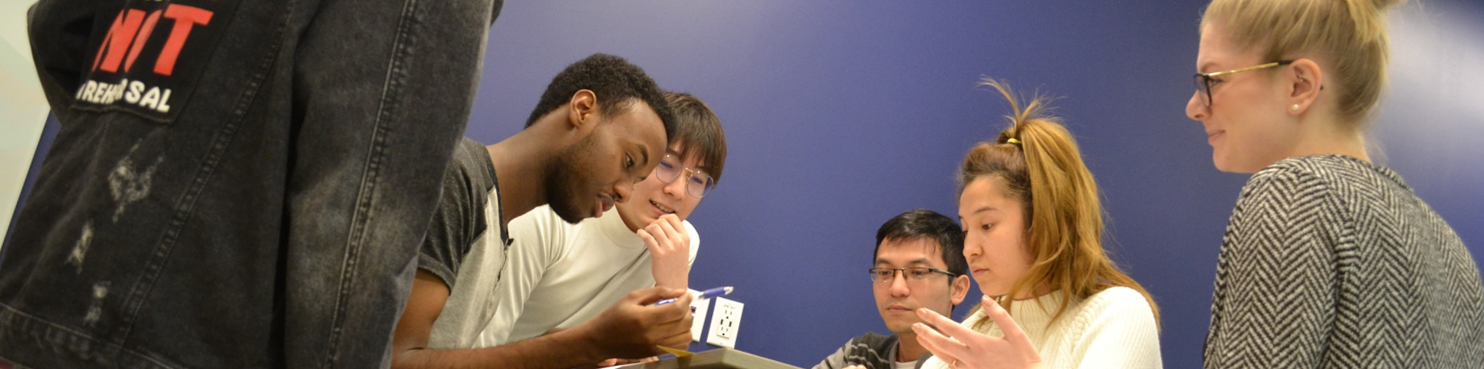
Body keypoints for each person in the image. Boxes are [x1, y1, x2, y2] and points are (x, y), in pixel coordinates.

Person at [0, 0, 503, 367]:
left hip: (32, 297)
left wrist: (146, 143)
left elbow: (57, 27)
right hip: (187, 340)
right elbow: (357, 233)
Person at [1186, 0, 1484, 367]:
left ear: (1299, 85)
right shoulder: (1449, 249)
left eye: (1213, 80)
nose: (1195, 107)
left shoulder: (1293, 194)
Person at [392, 54, 696, 369]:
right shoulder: (457, 180)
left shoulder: (500, 234)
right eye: (629, 162)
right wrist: (588, 342)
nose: (624, 192)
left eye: (636, 181)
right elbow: (392, 361)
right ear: (582, 110)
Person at [912, 80, 1161, 369]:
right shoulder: (972, 338)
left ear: (1043, 220)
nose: (968, 250)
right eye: (966, 230)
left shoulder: (1116, 314)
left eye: (987, 225)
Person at [472, 92, 728, 356]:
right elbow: (476, 347)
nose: (677, 190)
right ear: (639, 157)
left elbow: (666, 350)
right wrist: (582, 351)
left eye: (697, 180)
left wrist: (675, 288)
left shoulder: (681, 243)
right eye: (666, 164)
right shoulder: (550, 216)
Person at [815, 209, 971, 369]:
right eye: (884, 272)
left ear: (957, 289)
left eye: (918, 272)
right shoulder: (861, 353)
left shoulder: (974, 363)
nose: (896, 289)